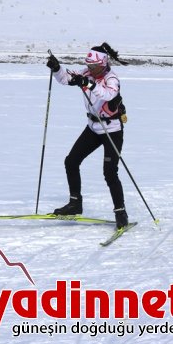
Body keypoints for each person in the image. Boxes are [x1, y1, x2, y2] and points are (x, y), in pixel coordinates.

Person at [46, 43, 130, 229]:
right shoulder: (87, 74)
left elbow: (108, 95)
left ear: (103, 63)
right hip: (93, 128)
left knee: (109, 172)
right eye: (89, 66)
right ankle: (75, 204)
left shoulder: (112, 78)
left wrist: (88, 84)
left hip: (112, 130)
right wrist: (57, 68)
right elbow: (67, 78)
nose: (90, 69)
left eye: (93, 66)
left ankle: (120, 212)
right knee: (71, 161)